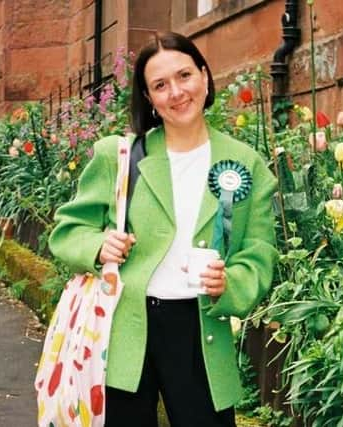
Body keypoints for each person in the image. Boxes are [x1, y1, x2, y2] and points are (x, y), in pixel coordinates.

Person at [49, 31, 278, 427]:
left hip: (200, 331)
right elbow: (67, 231)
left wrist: (231, 283)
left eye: (184, 76)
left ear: (205, 77)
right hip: (126, 328)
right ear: (150, 98)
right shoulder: (118, 156)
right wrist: (100, 244)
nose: (176, 92)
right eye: (160, 85)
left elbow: (259, 251)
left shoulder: (246, 162)